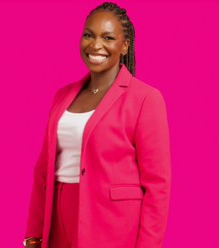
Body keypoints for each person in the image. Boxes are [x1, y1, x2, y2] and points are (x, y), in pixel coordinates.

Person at [23, 2, 171, 248]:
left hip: (111, 222)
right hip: (56, 222)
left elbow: (158, 185)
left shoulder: (145, 98)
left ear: (125, 45)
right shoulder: (62, 95)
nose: (95, 45)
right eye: (88, 35)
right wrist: (33, 235)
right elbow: (42, 172)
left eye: (108, 37)